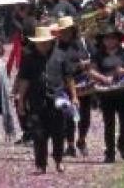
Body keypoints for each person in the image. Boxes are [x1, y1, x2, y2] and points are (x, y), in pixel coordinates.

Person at [16, 26, 65, 174]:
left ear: (51, 42)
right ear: (35, 43)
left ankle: (58, 160)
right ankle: (41, 164)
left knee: (58, 133)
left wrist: (73, 97)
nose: (43, 45)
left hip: (56, 100)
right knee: (39, 134)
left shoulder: (59, 55)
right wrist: (21, 101)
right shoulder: (28, 58)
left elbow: (68, 77)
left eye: (46, 42)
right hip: (37, 101)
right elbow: (24, 81)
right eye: (40, 42)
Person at [90, 24, 124, 163]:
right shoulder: (98, 54)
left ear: (118, 39)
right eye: (107, 38)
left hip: (123, 92)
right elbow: (92, 70)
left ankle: (122, 145)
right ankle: (110, 152)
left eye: (112, 38)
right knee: (109, 124)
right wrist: (102, 78)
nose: (109, 41)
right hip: (106, 93)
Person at [56, 16, 94, 157]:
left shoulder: (81, 43)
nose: (66, 34)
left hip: (84, 83)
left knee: (85, 115)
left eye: (68, 31)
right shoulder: (57, 47)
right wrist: (78, 65)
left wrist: (87, 63)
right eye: (63, 31)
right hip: (66, 84)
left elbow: (93, 56)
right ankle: (70, 145)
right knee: (68, 116)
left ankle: (81, 140)